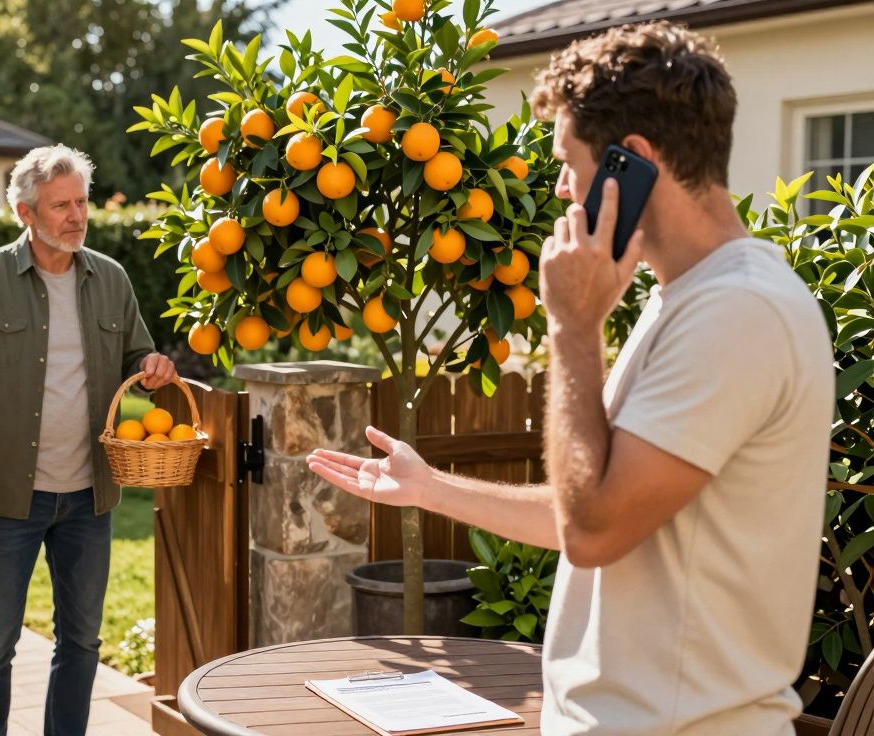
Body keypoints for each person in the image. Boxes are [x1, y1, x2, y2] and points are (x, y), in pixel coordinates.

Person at [308, 21, 833, 735]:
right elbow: (590, 504)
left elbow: (593, 531)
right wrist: (428, 487)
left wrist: (573, 328)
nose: (559, 186)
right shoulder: (687, 299)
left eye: (568, 161)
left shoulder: (739, 311)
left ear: (633, 163)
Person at [0, 144, 176, 735]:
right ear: (25, 213)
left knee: (82, 640)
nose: (76, 217)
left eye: (81, 202)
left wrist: (154, 366)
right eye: (61, 206)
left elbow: (138, 355)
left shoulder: (110, 279)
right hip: (10, 496)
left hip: (91, 495)